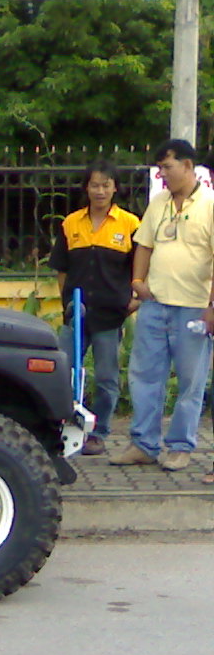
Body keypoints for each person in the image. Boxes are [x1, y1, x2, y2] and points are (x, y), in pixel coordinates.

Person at [110, 139, 214, 471]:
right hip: (155, 305)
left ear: (188, 166)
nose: (162, 174)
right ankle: (144, 444)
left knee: (190, 381)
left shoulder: (210, 205)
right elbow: (144, 245)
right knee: (144, 376)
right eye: (159, 168)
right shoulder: (158, 203)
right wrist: (137, 282)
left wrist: (212, 306)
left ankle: (180, 446)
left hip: (194, 307)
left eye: (167, 167)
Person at [50, 160, 139, 455]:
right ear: (86, 188)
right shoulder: (71, 223)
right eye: (94, 185)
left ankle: (98, 433)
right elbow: (62, 269)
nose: (100, 191)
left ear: (115, 188)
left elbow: (141, 268)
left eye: (106, 185)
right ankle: (61, 427)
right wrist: (66, 303)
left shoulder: (130, 224)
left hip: (110, 316)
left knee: (106, 378)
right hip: (76, 313)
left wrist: (134, 300)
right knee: (63, 372)